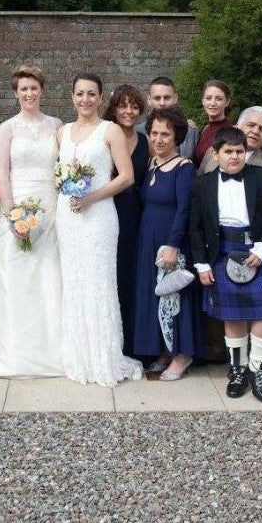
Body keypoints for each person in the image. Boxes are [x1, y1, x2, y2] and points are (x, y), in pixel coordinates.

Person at [0, 65, 64, 378]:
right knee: (17, 279)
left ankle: (54, 354)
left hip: (51, 208)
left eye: (34, 88)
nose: (29, 94)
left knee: (49, 279)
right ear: (16, 93)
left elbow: (62, 168)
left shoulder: (57, 125)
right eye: (23, 89)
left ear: (42, 90)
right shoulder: (7, 129)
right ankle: (13, 354)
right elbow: (2, 174)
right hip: (18, 209)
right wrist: (13, 215)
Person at [56, 73, 143, 387]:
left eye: (91, 94)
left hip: (99, 217)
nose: (85, 100)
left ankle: (103, 356)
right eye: (79, 94)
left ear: (100, 97)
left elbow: (126, 177)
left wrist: (91, 197)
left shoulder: (111, 131)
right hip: (67, 219)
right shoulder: (62, 132)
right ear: (72, 96)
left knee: (98, 281)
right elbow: (60, 172)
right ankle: (77, 353)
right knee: (74, 282)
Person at [190, 127, 262, 403]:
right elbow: (195, 228)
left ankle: (258, 371)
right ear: (215, 153)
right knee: (233, 316)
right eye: (228, 152)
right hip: (222, 252)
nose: (234, 157)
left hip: (257, 249)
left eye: (239, 152)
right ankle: (237, 370)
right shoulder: (203, 184)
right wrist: (202, 265)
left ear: (246, 153)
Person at [131, 106, 203, 380]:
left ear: (177, 137)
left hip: (171, 242)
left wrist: (173, 244)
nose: (159, 139)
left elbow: (185, 209)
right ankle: (164, 349)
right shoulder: (151, 165)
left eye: (165, 134)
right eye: (154, 133)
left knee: (175, 297)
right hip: (147, 241)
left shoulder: (184, 167)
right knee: (157, 298)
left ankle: (183, 355)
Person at [105, 84, 150, 356]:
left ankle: (132, 344)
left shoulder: (145, 141)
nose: (129, 111)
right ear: (114, 108)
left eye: (134, 106)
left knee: (131, 275)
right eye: (123, 106)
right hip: (107, 209)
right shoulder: (104, 136)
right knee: (111, 273)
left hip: (136, 214)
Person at [136, 77, 198, 158]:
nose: (162, 103)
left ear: (175, 98)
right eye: (157, 98)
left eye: (167, 98)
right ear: (149, 100)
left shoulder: (191, 131)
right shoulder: (137, 132)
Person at [193, 80, 234, 169]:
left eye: (218, 99)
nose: (212, 103)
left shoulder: (230, 133)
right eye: (208, 98)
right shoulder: (205, 128)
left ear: (227, 102)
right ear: (203, 101)